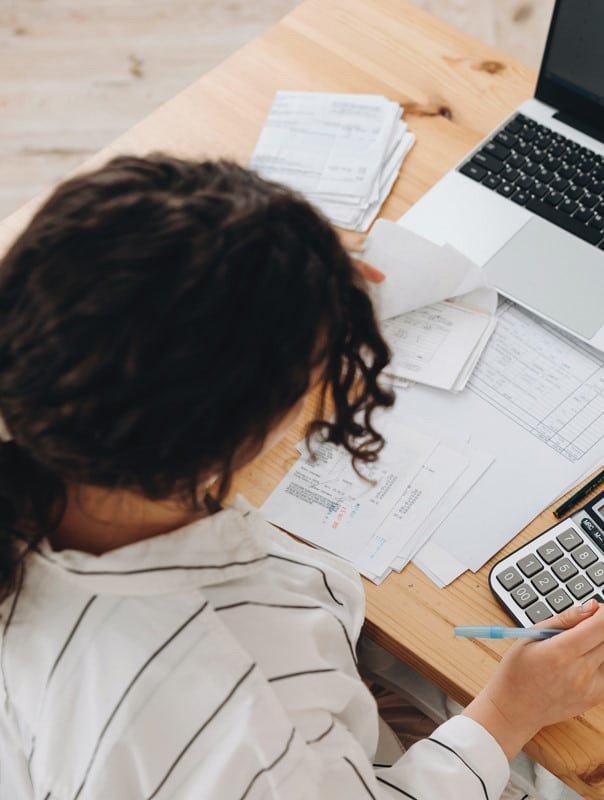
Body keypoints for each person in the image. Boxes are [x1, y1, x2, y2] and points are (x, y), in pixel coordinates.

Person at [0, 155, 603, 800]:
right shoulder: (229, 715)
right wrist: (509, 712)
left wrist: (306, 276)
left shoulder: (67, 445)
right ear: (237, 429)